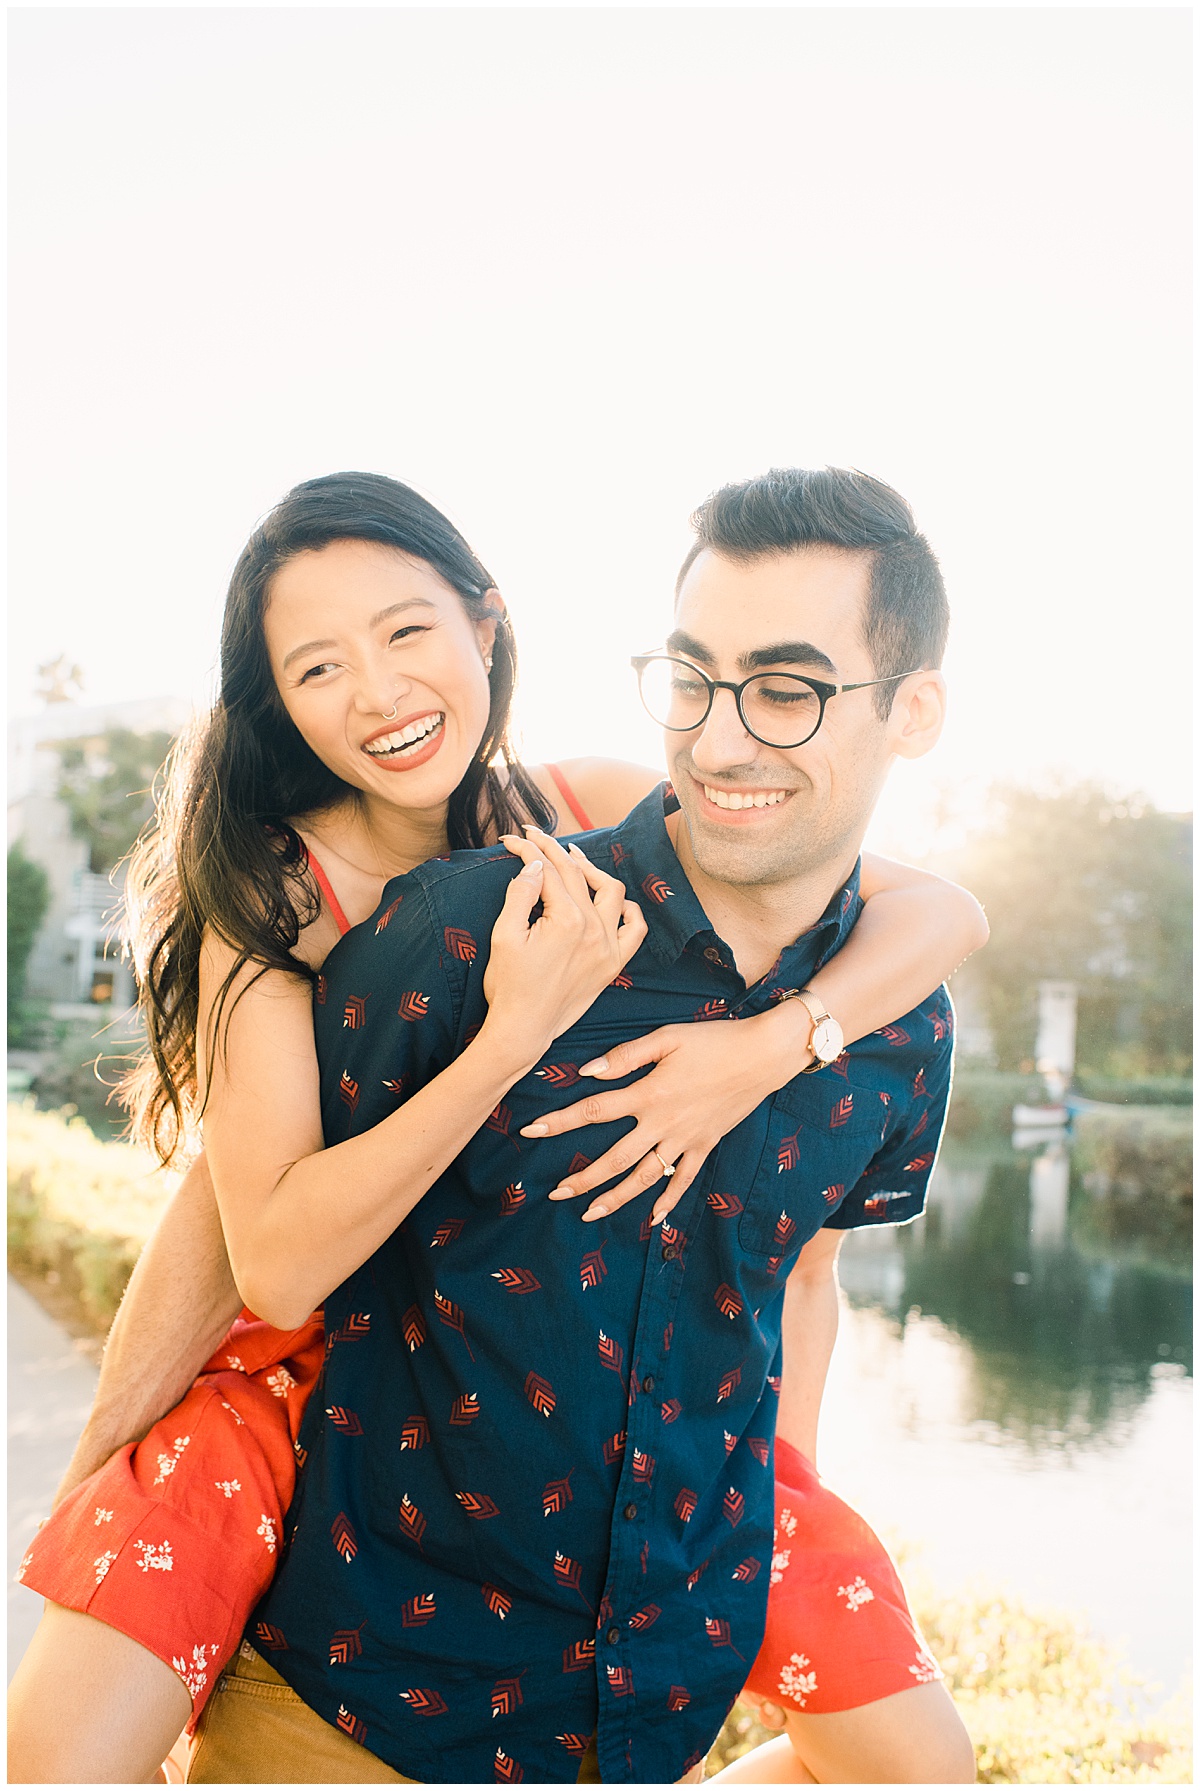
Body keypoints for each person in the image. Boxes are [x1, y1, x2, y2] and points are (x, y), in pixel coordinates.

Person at [7, 468, 983, 1785]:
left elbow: (934, 912)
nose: (379, 691)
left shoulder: (578, 807)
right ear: (277, 702)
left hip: (536, 1388)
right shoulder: (277, 892)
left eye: (407, 633)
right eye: (318, 666)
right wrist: (100, 1454)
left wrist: (764, 1045)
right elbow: (239, 1237)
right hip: (291, 1351)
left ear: (487, 625)